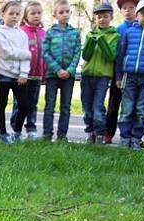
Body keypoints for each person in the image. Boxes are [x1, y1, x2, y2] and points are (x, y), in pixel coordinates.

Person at [115, 0, 144, 149]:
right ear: (137, 14)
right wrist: (118, 76)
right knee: (127, 108)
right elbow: (121, 54)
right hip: (128, 76)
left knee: (141, 109)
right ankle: (124, 137)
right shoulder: (129, 32)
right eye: (143, 13)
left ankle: (136, 137)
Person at [41, 0, 81, 141]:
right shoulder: (50, 33)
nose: (64, 14)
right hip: (53, 75)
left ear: (70, 13)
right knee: (50, 105)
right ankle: (47, 134)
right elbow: (45, 52)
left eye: (67, 11)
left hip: (68, 77)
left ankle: (62, 135)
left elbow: (77, 53)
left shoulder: (75, 33)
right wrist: (57, 69)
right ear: (55, 15)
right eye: (61, 12)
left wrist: (69, 70)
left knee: (65, 106)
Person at [0, 1, 32, 144]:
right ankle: (3, 134)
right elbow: (6, 53)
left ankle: (17, 132)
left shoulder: (22, 34)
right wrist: (26, 54)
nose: (14, 17)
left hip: (19, 77)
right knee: (2, 103)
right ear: (3, 14)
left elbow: (24, 57)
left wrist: (23, 74)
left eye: (17, 14)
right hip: (3, 74)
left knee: (24, 105)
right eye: (11, 13)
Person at [80, 2, 120, 144]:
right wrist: (91, 41)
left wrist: (102, 40)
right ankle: (90, 132)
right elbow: (85, 55)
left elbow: (111, 56)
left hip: (103, 76)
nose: (102, 19)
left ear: (111, 17)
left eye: (105, 16)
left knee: (98, 106)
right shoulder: (90, 34)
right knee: (86, 106)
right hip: (87, 75)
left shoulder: (114, 35)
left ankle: (100, 134)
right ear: (95, 19)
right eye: (99, 17)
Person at [10, 1, 45, 140]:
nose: (36, 16)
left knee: (33, 104)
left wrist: (44, 73)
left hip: (36, 76)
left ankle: (31, 128)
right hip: (22, 76)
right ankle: (15, 129)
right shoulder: (21, 32)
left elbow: (45, 54)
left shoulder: (43, 33)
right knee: (19, 104)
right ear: (25, 16)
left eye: (39, 13)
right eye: (33, 13)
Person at [105, 0, 139, 144]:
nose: (128, 10)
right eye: (125, 8)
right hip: (118, 73)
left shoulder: (141, 28)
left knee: (133, 106)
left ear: (136, 10)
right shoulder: (118, 30)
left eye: (131, 7)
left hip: (135, 73)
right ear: (120, 11)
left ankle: (132, 135)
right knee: (114, 103)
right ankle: (108, 133)